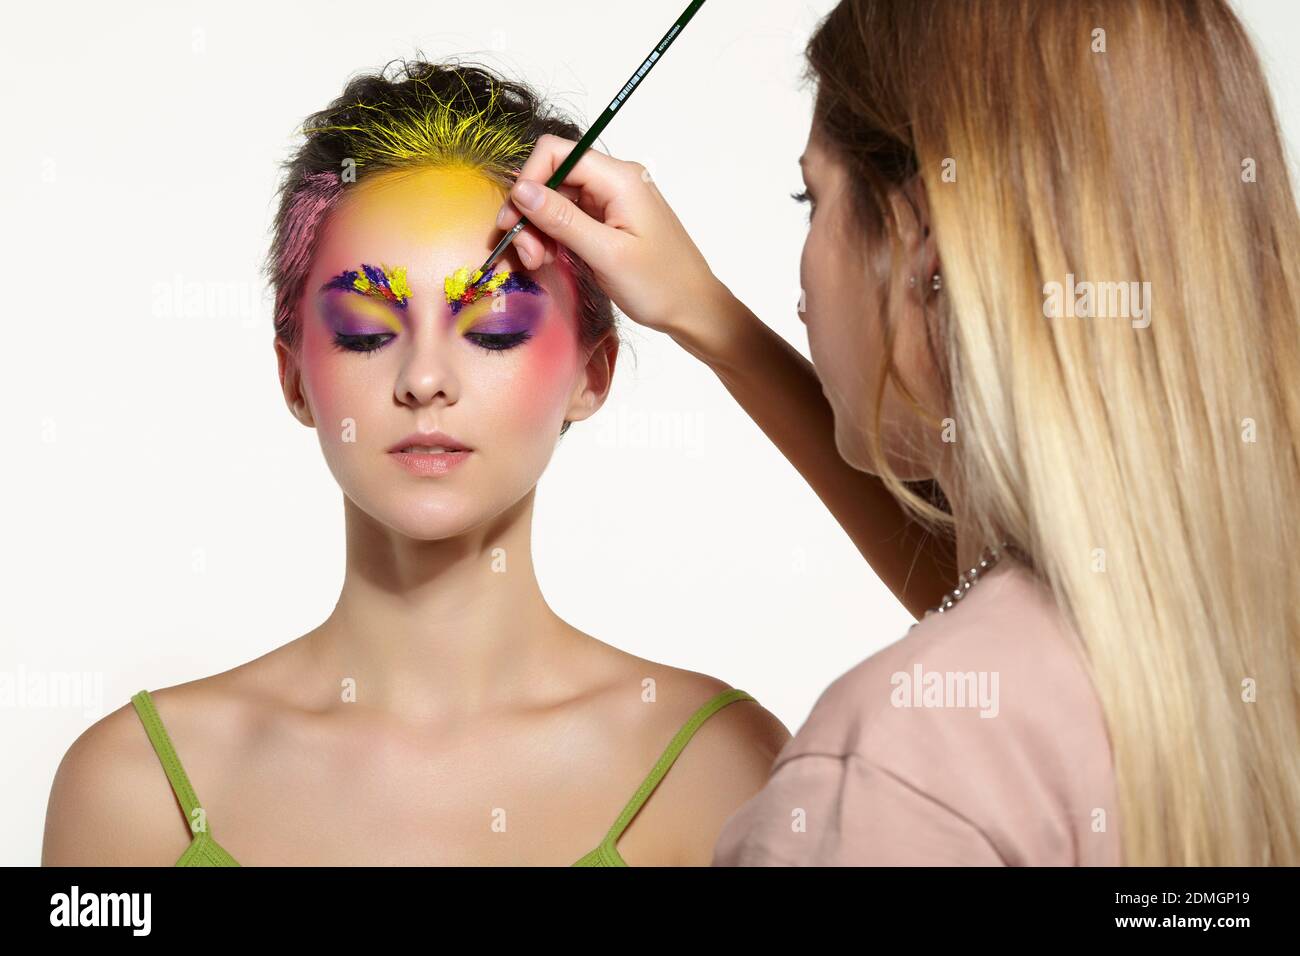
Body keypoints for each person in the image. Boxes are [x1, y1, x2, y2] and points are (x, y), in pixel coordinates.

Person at [494, 0, 1300, 865]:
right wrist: (711, 319)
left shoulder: (890, 775)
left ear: (925, 243)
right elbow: (993, 612)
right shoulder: (1225, 647)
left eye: (814, 197)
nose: (424, 380)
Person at [40, 61, 801, 867]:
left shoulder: (719, 769)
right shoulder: (134, 789)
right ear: (295, 377)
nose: (424, 379)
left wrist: (709, 313)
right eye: (367, 331)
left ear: (591, 375)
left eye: (495, 327)